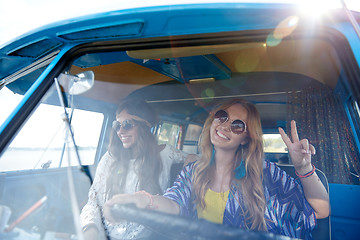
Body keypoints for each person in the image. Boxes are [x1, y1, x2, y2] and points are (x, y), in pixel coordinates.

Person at [103, 98, 330, 239]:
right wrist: (145, 200)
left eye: (237, 125)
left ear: (245, 138)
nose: (224, 126)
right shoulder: (194, 171)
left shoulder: (264, 173)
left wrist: (304, 167)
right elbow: (174, 204)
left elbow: (320, 211)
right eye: (222, 117)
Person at [80, 99, 195, 240]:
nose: (120, 131)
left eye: (127, 124)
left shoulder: (166, 154)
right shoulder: (110, 158)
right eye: (117, 125)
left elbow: (203, 160)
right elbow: (93, 203)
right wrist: (89, 230)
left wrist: (192, 160)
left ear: (145, 126)